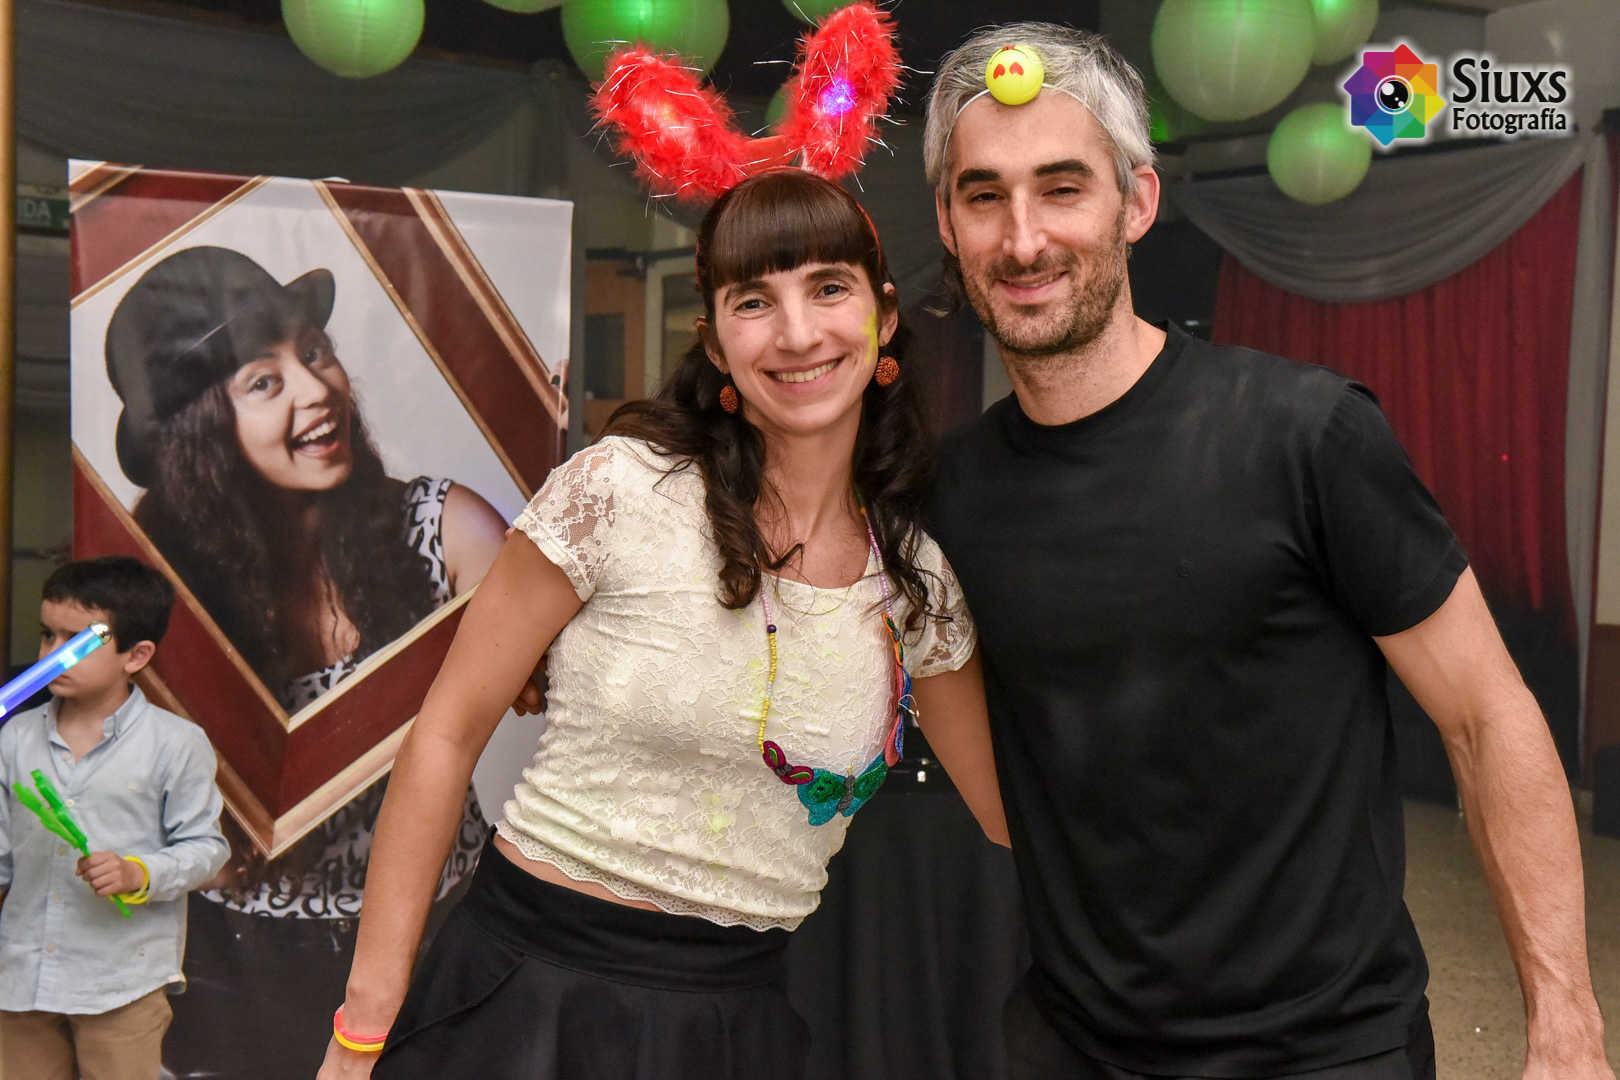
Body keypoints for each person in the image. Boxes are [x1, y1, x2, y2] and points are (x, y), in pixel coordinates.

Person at [921, 23, 1614, 1080]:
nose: (1024, 240)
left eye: (1063, 188)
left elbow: (1486, 716)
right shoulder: (951, 495)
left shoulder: (1306, 435)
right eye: (985, 196)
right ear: (947, 221)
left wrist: (1567, 1027)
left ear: (1136, 203)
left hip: (1325, 1052)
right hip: (1074, 1045)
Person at [317, 169, 1008, 1080]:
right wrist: (362, 1029)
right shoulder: (620, 492)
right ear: (714, 342)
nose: (798, 333)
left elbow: (1011, 814)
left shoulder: (914, 576)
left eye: (828, 288)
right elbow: (446, 735)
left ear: (882, 318)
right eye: (754, 301)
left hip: (733, 1028)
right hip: (527, 1000)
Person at [99, 245, 501, 1079]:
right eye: (264, 381)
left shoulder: (446, 531)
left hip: (446, 937)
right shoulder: (160, 599)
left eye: (313, 351)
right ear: (205, 437)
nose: (317, 389)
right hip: (241, 970)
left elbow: (562, 694)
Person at [0, 555, 229, 1080]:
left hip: (121, 982)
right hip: (21, 977)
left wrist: (138, 872)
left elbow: (207, 848)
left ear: (136, 655)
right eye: (47, 635)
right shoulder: (14, 737)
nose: (52, 656)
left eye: (77, 643)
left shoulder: (176, 744)